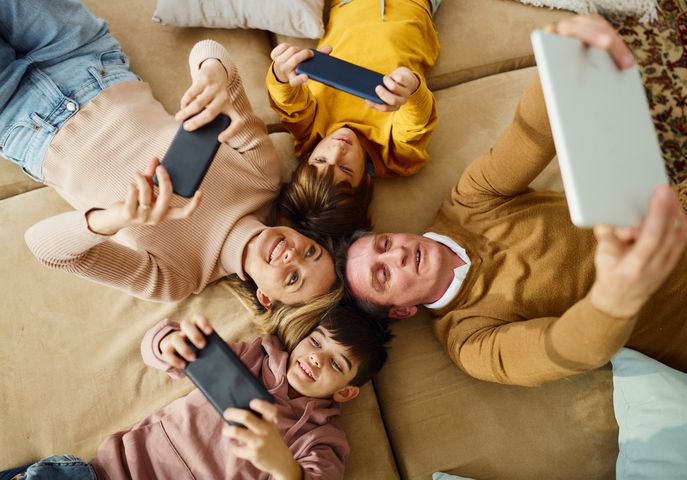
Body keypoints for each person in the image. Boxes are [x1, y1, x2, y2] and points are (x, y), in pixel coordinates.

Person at [336, 15, 687, 388]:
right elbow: (563, 350)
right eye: (383, 275)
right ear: (402, 310)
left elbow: (531, 134)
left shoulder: (464, 204)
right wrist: (614, 297)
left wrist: (560, 56)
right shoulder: (470, 341)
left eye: (383, 245)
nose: (397, 255)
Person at [0, 0, 338, 310]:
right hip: (85, 58)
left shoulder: (176, 279)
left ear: (266, 298)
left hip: (19, 120)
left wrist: (117, 217)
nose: (293, 255)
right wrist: (213, 77)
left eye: (293, 279)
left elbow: (45, 248)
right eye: (311, 251)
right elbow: (209, 50)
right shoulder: (262, 176)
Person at [1, 307, 393, 480]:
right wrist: (168, 342)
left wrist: (283, 468)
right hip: (107, 473)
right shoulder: (253, 357)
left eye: (337, 365)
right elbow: (164, 352)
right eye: (317, 343)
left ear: (346, 393)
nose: (316, 360)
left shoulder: (322, 440)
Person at [266, 0, 441, 223]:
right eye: (345, 169)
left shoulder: (310, 133)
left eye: (320, 160)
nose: (337, 149)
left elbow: (287, 103)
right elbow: (418, 123)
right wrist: (413, 89)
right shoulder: (395, 156)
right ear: (365, 181)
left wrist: (282, 72)